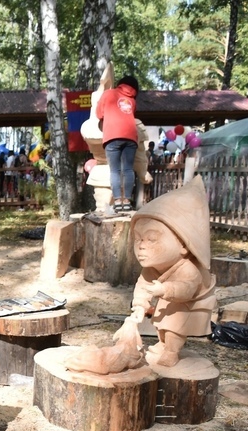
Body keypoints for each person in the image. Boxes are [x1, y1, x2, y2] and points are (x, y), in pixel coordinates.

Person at [125, 180, 216, 367]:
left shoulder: (188, 268)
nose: (141, 246)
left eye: (151, 239)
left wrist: (165, 289)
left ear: (184, 245)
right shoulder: (151, 268)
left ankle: (172, 351)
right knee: (160, 321)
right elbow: (143, 286)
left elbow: (188, 289)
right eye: (138, 239)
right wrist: (140, 305)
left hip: (190, 302)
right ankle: (163, 344)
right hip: (168, 296)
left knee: (175, 325)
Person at [95, 75, 139, 212]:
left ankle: (118, 201)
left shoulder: (108, 94)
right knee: (128, 169)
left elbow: (98, 114)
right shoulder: (132, 100)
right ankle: (127, 201)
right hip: (131, 136)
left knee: (115, 170)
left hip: (112, 135)